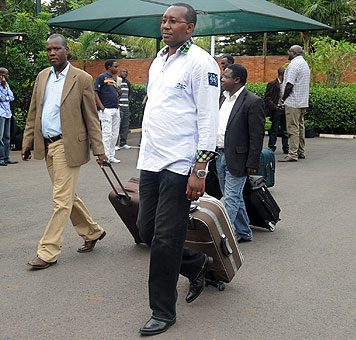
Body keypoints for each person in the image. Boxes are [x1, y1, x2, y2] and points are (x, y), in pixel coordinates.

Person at [136, 3, 220, 336]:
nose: (166, 25)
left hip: (180, 164)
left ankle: (163, 311)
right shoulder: (159, 60)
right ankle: (198, 263)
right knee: (146, 231)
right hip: (151, 160)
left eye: (174, 21)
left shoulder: (202, 63)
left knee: (166, 240)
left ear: (190, 27)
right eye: (164, 20)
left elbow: (208, 118)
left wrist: (199, 168)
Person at [22, 34, 107, 269]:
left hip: (67, 145)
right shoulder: (42, 77)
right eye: (48, 49)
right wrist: (28, 141)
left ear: (66, 50)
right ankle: (92, 232)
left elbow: (91, 118)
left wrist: (100, 151)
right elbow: (33, 112)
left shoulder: (82, 78)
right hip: (47, 143)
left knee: (61, 200)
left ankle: (48, 251)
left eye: (56, 49)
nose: (52, 53)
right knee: (67, 195)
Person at [217, 63, 265, 242]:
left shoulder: (253, 101)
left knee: (230, 199)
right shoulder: (221, 99)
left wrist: (253, 162)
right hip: (219, 155)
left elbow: (257, 136)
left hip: (239, 158)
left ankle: (222, 237)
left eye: (226, 77)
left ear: (236, 80)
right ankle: (244, 232)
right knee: (234, 197)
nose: (222, 79)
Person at [279, 45, 310, 162]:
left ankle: (292, 154)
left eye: (290, 51)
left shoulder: (293, 65)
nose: (288, 53)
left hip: (293, 102)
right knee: (300, 128)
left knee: (292, 129)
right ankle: (301, 152)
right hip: (302, 102)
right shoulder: (304, 64)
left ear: (294, 53)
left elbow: (289, 84)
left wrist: (283, 98)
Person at [95, 59, 121, 163]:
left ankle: (111, 155)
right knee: (107, 133)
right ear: (109, 67)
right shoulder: (101, 77)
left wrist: (119, 92)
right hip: (106, 110)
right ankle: (105, 156)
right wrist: (102, 107)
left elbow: (115, 93)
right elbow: (95, 93)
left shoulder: (114, 80)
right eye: (115, 66)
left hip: (115, 108)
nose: (117, 68)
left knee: (115, 133)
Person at [264, 66, 289, 154]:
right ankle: (271, 147)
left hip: (284, 108)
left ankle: (286, 148)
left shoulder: (287, 84)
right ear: (281, 74)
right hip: (276, 109)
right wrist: (275, 107)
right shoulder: (272, 84)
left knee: (285, 130)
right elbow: (267, 98)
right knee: (274, 130)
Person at [0, 67, 18, 166]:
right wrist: (6, 97)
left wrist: (6, 97)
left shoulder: (6, 85)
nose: (8, 76)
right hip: (0, 114)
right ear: (1, 75)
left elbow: (12, 97)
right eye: (6, 74)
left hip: (7, 113)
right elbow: (2, 98)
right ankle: (1, 158)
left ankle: (7, 157)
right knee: (0, 137)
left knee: (7, 137)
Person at [115, 67, 132, 150]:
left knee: (125, 126)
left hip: (126, 107)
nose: (125, 73)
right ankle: (115, 144)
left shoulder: (127, 82)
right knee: (117, 126)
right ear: (120, 72)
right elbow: (115, 92)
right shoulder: (117, 81)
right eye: (123, 72)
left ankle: (123, 143)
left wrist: (128, 102)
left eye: (126, 72)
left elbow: (130, 93)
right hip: (119, 107)